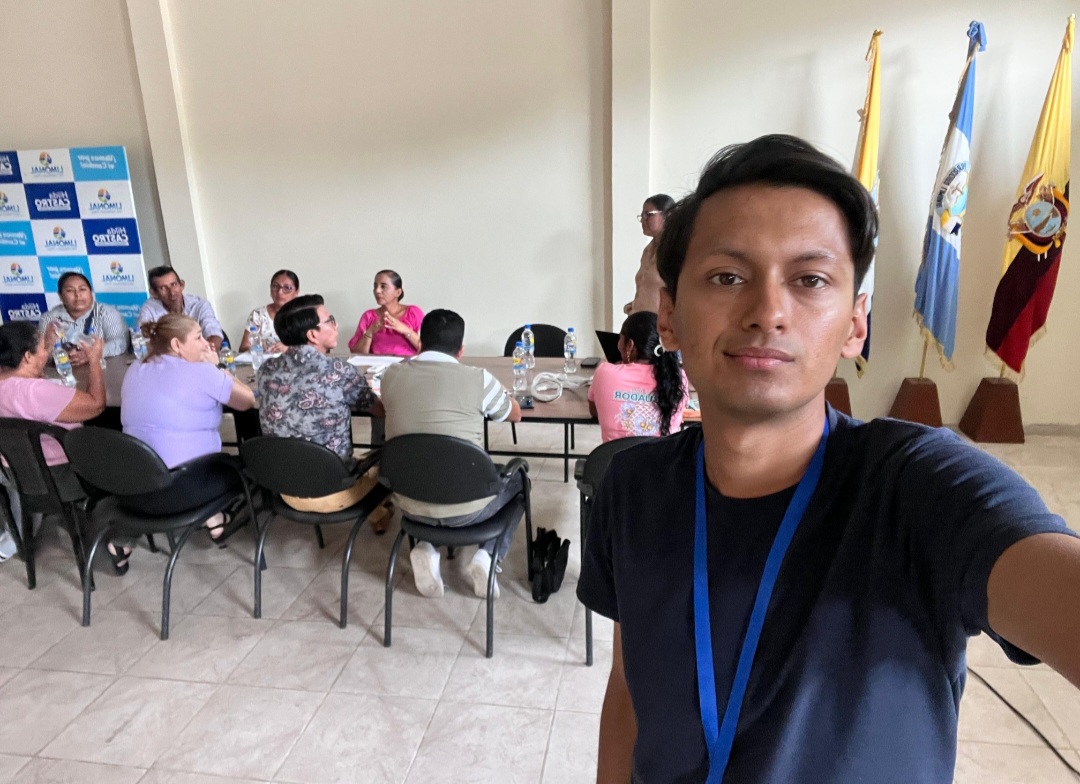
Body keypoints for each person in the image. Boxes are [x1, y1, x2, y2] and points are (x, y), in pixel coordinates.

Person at [578, 134, 1080, 783]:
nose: (768, 312)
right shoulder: (632, 487)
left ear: (854, 324)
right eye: (727, 277)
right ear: (668, 316)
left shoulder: (919, 487)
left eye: (809, 280)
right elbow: (629, 686)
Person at [380, 309, 525, 600]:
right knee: (520, 480)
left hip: (408, 501)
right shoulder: (478, 378)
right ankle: (488, 556)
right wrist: (503, 394)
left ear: (420, 343)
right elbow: (515, 415)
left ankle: (427, 546)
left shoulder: (390, 376)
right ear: (461, 350)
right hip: (468, 509)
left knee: (427, 463)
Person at [257, 294, 391, 529]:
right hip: (334, 489)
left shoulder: (266, 370)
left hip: (285, 487)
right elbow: (379, 410)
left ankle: (378, 513)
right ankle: (380, 515)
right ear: (312, 335)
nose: (336, 326)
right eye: (330, 321)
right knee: (387, 458)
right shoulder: (338, 370)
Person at [121, 315, 255, 544]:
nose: (206, 344)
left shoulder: (135, 368)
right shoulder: (202, 372)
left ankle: (213, 518)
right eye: (198, 337)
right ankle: (215, 518)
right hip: (182, 489)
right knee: (245, 468)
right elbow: (248, 401)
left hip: (135, 487)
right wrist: (219, 367)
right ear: (176, 345)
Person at [0, 323, 110, 564]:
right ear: (27, 356)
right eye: (42, 348)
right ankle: (116, 535)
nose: (46, 352)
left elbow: (25, 378)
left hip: (14, 476)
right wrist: (94, 360)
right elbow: (96, 405)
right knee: (116, 448)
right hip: (62, 479)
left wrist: (45, 346)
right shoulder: (34, 391)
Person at [588, 311, 688, 442]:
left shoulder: (604, 373)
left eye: (620, 339)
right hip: (664, 455)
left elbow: (594, 411)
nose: (618, 345)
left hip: (616, 456)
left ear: (630, 345)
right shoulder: (678, 378)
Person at [39, 272, 129, 361]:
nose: (78, 295)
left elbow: (120, 343)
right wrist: (65, 356)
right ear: (60, 296)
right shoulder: (49, 318)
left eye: (82, 289)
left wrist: (90, 354)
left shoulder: (107, 313)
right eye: (70, 290)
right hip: (64, 368)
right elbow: (40, 350)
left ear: (91, 292)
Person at [138, 266, 225, 352]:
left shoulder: (199, 305)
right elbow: (145, 342)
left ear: (182, 285)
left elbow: (213, 332)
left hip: (200, 356)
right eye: (163, 288)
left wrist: (207, 351)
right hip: (168, 358)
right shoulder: (149, 309)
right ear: (154, 293)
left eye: (174, 284)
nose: (172, 293)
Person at [347, 270, 423, 356]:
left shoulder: (413, 313)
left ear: (398, 292)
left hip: (408, 364)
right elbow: (356, 354)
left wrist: (406, 330)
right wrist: (370, 332)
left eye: (383, 286)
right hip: (376, 364)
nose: (377, 291)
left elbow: (427, 349)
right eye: (375, 286)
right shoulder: (369, 316)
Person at [623, 193, 675, 316]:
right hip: (638, 320)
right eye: (642, 215)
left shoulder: (674, 250)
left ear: (667, 215)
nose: (643, 219)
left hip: (659, 324)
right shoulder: (648, 250)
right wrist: (635, 305)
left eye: (648, 214)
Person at [239, 269, 298, 353]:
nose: (280, 292)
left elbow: (313, 347)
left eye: (287, 288)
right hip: (264, 360)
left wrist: (289, 348)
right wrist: (257, 348)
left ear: (296, 292)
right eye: (275, 286)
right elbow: (243, 348)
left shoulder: (303, 315)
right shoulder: (258, 314)